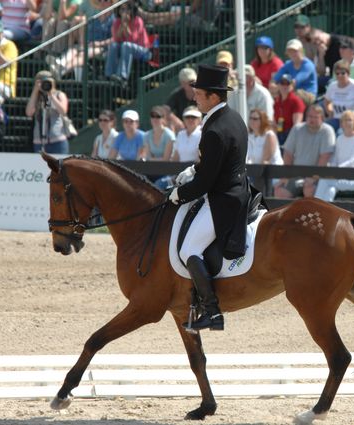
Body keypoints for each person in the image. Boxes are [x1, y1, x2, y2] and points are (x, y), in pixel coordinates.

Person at [168, 64, 251, 333]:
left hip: (223, 199)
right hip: (239, 188)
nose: (195, 98)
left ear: (213, 97)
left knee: (188, 249)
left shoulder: (214, 129)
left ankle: (213, 312)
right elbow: (217, 163)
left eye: (199, 94)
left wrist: (179, 194)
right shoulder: (232, 117)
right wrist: (193, 169)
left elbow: (205, 183)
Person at [273, 104, 335, 199]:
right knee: (279, 191)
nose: (312, 119)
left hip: (318, 176)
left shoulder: (327, 131)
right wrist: (286, 175)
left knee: (309, 190)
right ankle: (290, 214)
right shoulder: (297, 129)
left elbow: (325, 157)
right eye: (310, 116)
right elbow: (288, 153)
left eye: (315, 117)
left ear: (322, 118)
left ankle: (307, 214)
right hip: (297, 175)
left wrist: (313, 177)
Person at [45, 0, 114, 80]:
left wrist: (99, 43)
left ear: (111, 3)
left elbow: (114, 39)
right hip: (89, 45)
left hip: (103, 48)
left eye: (105, 0)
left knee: (83, 54)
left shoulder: (113, 19)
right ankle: (60, 63)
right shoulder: (95, 17)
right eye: (100, 0)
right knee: (74, 50)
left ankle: (62, 71)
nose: (102, 2)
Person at [314, 110, 354, 202]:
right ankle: (324, 214)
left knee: (324, 181)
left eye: (350, 120)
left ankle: (313, 208)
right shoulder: (339, 138)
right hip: (338, 177)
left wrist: (337, 170)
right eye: (344, 120)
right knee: (330, 190)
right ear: (341, 123)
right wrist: (334, 169)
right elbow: (335, 159)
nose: (347, 123)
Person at [105, 1, 151, 84]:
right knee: (113, 45)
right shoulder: (117, 22)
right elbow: (116, 39)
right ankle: (109, 75)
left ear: (132, 10)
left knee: (126, 45)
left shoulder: (138, 21)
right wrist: (122, 24)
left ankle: (122, 76)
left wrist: (126, 25)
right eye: (122, 9)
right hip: (126, 48)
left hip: (143, 51)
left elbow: (133, 39)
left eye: (128, 9)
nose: (125, 12)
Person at [25, 70, 70, 153]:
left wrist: (51, 94)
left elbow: (63, 111)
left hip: (58, 140)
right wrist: (35, 91)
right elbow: (29, 112)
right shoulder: (36, 97)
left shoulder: (59, 95)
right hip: (39, 141)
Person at [273, 38, 318, 104]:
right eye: (290, 51)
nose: (292, 53)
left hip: (308, 94)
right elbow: (276, 78)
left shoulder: (308, 65)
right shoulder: (288, 64)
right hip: (293, 91)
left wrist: (280, 89)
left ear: (301, 51)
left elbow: (295, 81)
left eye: (295, 51)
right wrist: (273, 86)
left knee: (294, 95)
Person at [323, 60, 354, 132]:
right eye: (337, 73)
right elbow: (327, 101)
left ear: (348, 73)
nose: (340, 76)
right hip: (336, 118)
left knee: (340, 133)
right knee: (324, 130)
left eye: (342, 73)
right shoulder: (332, 86)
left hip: (351, 119)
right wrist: (330, 112)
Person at [273, 73, 305, 145]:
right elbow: (274, 122)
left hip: (290, 134)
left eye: (287, 83)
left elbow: (296, 125)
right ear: (278, 85)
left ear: (292, 86)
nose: (284, 86)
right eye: (282, 83)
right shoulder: (276, 101)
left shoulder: (296, 101)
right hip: (279, 132)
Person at [165, 67, 198, 133]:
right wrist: (177, 121)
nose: (193, 84)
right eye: (190, 82)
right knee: (170, 123)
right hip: (182, 128)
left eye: (194, 81)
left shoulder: (201, 92)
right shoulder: (177, 94)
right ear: (182, 84)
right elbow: (165, 109)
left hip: (199, 126)